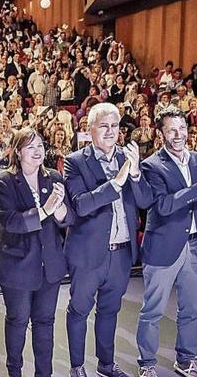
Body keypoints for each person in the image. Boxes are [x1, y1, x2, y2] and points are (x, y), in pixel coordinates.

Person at [135, 107, 197, 377]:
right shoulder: (151, 165)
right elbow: (164, 206)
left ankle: (185, 361)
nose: (178, 135)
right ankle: (147, 365)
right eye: (171, 130)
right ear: (161, 133)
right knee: (152, 312)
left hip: (196, 247)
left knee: (190, 310)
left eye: (181, 129)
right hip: (163, 247)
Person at [63, 103, 153, 377]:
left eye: (115, 126)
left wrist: (135, 174)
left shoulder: (129, 160)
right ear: (89, 130)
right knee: (79, 311)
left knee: (109, 311)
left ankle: (105, 365)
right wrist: (115, 184)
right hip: (88, 254)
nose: (111, 131)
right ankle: (77, 367)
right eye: (104, 126)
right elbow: (80, 205)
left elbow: (145, 201)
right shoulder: (75, 161)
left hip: (121, 252)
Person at [0, 127, 73, 377]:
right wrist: (47, 210)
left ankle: (44, 373)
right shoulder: (4, 181)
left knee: (45, 323)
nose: (37, 151)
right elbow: (12, 222)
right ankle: (14, 372)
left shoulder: (54, 178)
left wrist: (60, 212)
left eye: (39, 146)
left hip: (50, 267)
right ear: (18, 151)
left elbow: (68, 217)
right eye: (30, 147)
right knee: (17, 322)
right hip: (17, 267)